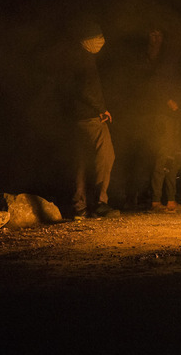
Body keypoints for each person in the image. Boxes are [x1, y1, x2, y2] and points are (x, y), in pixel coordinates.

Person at [64, 21, 119, 219]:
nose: (100, 41)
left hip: (76, 117)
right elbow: (88, 90)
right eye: (97, 37)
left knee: (81, 161)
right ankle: (99, 204)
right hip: (90, 117)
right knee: (106, 156)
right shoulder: (85, 59)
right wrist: (102, 109)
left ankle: (78, 207)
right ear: (87, 40)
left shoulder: (72, 57)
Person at [142, 27, 181, 213]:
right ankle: (157, 201)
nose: (156, 38)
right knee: (163, 157)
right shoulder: (152, 59)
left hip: (173, 116)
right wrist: (167, 101)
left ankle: (170, 200)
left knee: (172, 157)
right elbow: (154, 86)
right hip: (162, 117)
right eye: (153, 34)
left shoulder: (168, 59)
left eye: (159, 34)